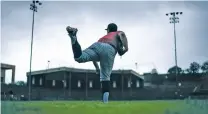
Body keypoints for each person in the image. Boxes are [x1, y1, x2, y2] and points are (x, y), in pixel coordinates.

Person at [66, 23, 128, 103]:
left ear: (108, 30)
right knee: (105, 78)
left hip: (97, 45)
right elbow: (122, 36)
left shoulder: (105, 37)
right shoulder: (118, 33)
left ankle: (73, 37)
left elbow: (95, 57)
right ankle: (105, 103)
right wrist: (126, 48)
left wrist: (97, 68)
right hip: (109, 48)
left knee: (79, 57)